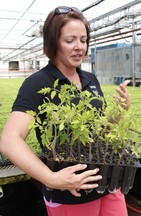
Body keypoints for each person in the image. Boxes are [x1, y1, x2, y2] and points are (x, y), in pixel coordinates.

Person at [0, 6, 130, 216]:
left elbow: (99, 133)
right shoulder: (38, 83)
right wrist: (51, 178)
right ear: (54, 43)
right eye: (70, 40)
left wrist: (119, 112)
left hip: (107, 182)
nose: (79, 47)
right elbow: (9, 140)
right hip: (70, 195)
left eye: (83, 40)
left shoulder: (90, 79)